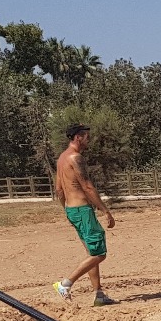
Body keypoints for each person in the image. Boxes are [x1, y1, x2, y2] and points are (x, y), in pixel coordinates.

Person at [51, 124, 116, 305]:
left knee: (90, 252)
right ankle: (65, 284)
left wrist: (67, 210)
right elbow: (87, 186)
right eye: (86, 136)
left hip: (72, 210)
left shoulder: (62, 158)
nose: (89, 140)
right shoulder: (75, 158)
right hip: (82, 209)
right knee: (100, 253)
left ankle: (99, 295)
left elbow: (59, 190)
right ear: (78, 137)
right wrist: (105, 210)